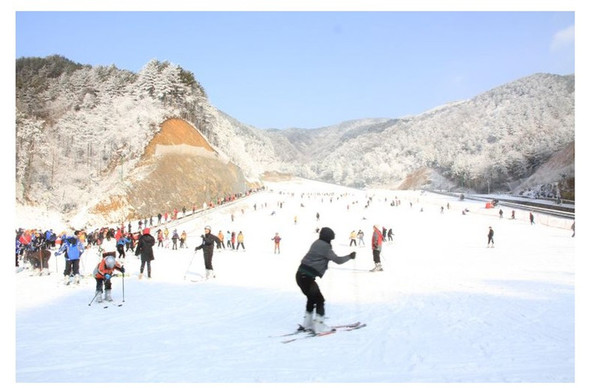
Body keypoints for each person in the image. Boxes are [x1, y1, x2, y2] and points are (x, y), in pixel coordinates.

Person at [295, 227, 356, 333]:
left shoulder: (316, 243)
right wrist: (350, 256)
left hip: (300, 275)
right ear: (328, 237)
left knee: (311, 298)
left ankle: (307, 323)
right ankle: (319, 326)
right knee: (320, 300)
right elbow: (338, 260)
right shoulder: (325, 247)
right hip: (307, 278)